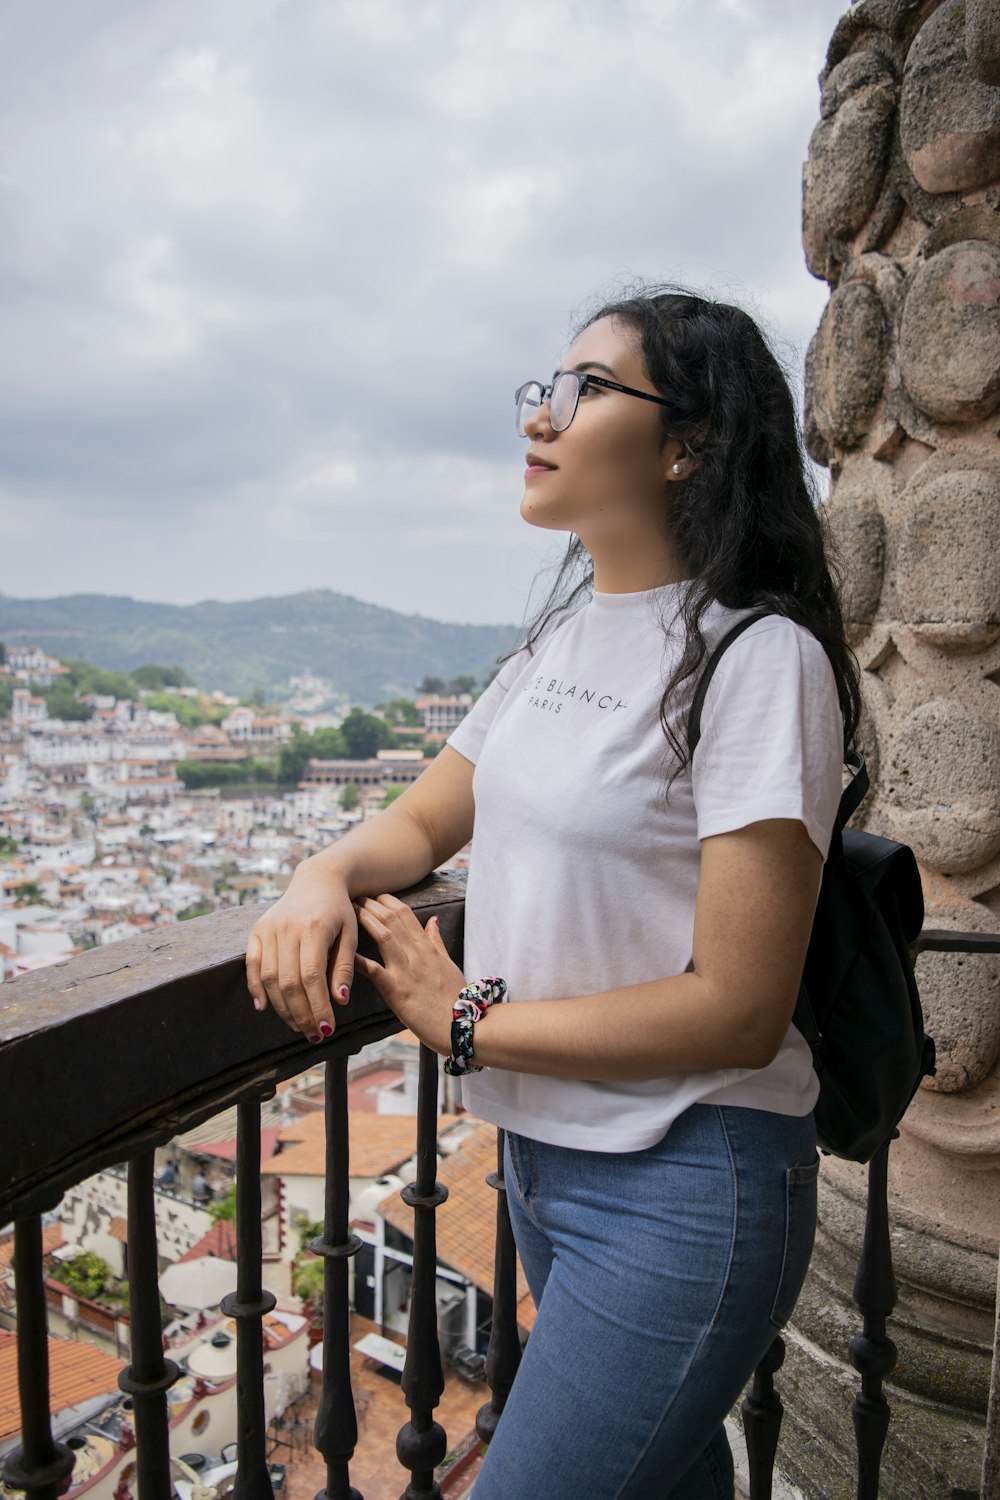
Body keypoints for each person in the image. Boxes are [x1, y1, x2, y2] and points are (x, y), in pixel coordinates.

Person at [245, 287, 861, 1500]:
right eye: (546, 387)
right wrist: (317, 874)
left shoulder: (758, 660)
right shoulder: (561, 642)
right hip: (544, 1161)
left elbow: (739, 1004)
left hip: (686, 1172)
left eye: (585, 389)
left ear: (686, 443)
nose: (542, 414)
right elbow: (426, 816)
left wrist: (465, 1021)